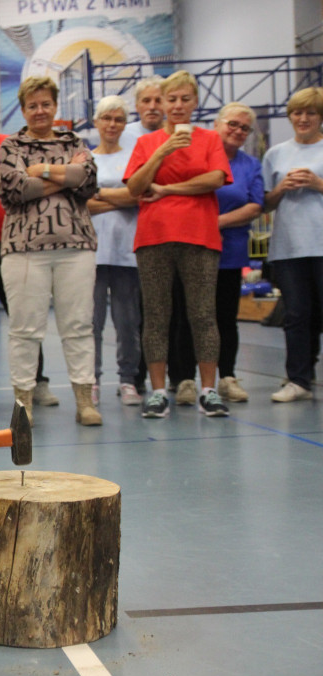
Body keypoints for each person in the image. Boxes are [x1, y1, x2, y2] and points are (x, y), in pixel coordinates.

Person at [124, 70, 232, 418]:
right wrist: (160, 153)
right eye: (172, 99)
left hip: (199, 235)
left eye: (185, 98)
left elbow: (215, 178)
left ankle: (209, 390)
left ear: (195, 102)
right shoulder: (146, 142)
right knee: (156, 315)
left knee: (203, 314)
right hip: (154, 238)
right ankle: (158, 392)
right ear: (164, 103)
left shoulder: (210, 139)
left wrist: (168, 189)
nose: (178, 105)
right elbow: (135, 188)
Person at [0, 76, 100, 426]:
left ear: (55, 107)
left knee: (79, 326)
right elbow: (12, 188)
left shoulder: (76, 141)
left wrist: (39, 171)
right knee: (25, 329)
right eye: (32, 105)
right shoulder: (11, 145)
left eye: (45, 104)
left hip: (76, 247)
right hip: (23, 250)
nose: (40, 111)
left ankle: (85, 401)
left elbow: (88, 180)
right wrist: (64, 177)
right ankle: (23, 405)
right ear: (23, 110)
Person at [0, 88, 57, 418]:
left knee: (25, 316)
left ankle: (38, 381)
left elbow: (18, 180)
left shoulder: (11, 143)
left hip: (11, 247)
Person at [168, 103, 263, 404]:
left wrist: (214, 222)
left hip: (229, 251)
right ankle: (184, 379)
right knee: (185, 315)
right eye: (232, 124)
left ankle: (228, 377)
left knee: (224, 317)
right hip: (190, 249)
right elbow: (180, 190)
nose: (237, 131)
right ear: (217, 124)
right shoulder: (196, 154)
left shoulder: (250, 165)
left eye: (244, 128)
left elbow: (254, 205)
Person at [262, 86, 323, 402]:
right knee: (297, 314)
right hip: (289, 248)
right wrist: (281, 188)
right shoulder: (276, 154)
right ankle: (298, 379)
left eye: (311, 112)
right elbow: (265, 205)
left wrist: (317, 183)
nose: (303, 118)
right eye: (297, 112)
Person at [87, 96, 143, 407]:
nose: (112, 125)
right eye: (106, 118)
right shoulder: (85, 158)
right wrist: (119, 197)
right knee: (91, 322)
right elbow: (81, 202)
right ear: (96, 122)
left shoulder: (134, 158)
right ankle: (92, 379)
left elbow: (138, 196)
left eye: (119, 119)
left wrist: (102, 195)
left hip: (127, 252)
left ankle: (127, 380)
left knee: (127, 320)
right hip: (93, 253)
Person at [120, 75, 164, 149]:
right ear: (137, 106)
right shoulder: (122, 134)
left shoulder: (176, 135)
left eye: (158, 101)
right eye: (146, 101)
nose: (152, 107)